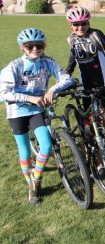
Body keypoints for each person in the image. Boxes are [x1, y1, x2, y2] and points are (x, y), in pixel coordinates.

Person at [0, 28, 75, 204]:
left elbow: (66, 78)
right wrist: (29, 98)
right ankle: (32, 188)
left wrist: (52, 89)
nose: (35, 49)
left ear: (44, 45)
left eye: (39, 45)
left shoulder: (48, 61)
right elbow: (3, 93)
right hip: (17, 111)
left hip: (36, 110)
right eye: (29, 46)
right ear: (22, 47)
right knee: (25, 150)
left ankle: (36, 177)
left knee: (46, 146)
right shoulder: (15, 66)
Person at [65, 6, 105, 145]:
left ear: (88, 23)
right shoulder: (71, 39)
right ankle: (92, 153)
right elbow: (73, 59)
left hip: (104, 83)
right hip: (86, 86)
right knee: (90, 125)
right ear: (70, 25)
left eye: (84, 23)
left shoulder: (96, 35)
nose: (80, 27)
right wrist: (66, 75)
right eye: (76, 24)